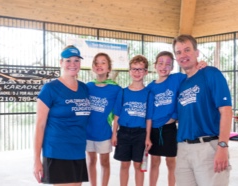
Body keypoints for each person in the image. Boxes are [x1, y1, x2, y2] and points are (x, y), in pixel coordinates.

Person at [173, 34, 232, 186]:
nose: (183, 55)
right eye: (178, 52)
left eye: (187, 50)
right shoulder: (181, 84)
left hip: (208, 147)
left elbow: (226, 111)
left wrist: (223, 146)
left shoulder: (211, 73)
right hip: (183, 149)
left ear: (197, 53)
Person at [33, 45, 91, 185]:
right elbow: (40, 126)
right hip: (57, 151)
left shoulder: (84, 88)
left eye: (76, 60)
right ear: (61, 62)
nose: (73, 64)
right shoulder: (50, 89)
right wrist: (36, 160)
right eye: (68, 60)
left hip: (78, 150)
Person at [147, 51, 207, 186]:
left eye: (168, 64)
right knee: (154, 162)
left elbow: (193, 73)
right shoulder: (150, 87)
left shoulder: (176, 78)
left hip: (170, 128)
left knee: (171, 162)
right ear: (155, 65)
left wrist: (201, 65)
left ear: (173, 67)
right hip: (154, 130)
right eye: (160, 63)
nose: (164, 67)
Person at [111, 55, 153, 186]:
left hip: (140, 134)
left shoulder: (148, 93)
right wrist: (114, 134)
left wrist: (148, 137)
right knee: (124, 165)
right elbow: (116, 116)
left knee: (138, 165)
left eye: (140, 69)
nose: (137, 72)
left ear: (146, 72)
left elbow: (149, 118)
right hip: (123, 133)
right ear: (129, 71)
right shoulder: (122, 93)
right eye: (134, 69)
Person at [86, 52, 121, 186]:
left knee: (104, 162)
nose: (99, 65)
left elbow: (117, 114)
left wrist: (114, 134)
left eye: (103, 62)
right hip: (88, 132)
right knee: (91, 161)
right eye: (96, 63)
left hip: (104, 133)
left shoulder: (116, 89)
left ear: (109, 68)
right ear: (93, 67)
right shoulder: (87, 87)